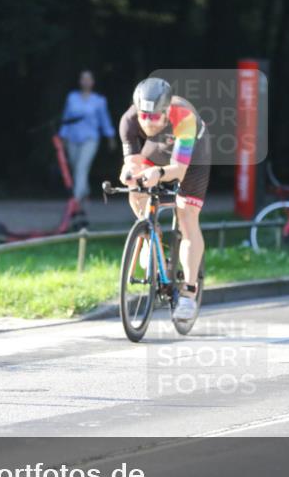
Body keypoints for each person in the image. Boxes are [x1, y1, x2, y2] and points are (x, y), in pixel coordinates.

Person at [119, 77, 210, 322]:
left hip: (193, 156)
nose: (147, 122)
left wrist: (158, 173)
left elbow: (179, 170)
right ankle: (150, 236)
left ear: (166, 110)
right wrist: (130, 174)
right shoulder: (128, 121)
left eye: (154, 117)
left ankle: (189, 293)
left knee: (186, 213)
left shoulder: (184, 117)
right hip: (158, 148)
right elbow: (133, 163)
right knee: (136, 187)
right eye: (143, 116)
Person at [59, 70, 116, 202]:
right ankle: (85, 191)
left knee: (81, 167)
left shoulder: (99, 101)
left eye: (88, 79)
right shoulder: (72, 98)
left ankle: (76, 199)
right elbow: (66, 118)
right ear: (80, 81)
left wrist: (110, 137)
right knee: (75, 167)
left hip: (90, 139)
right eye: (83, 79)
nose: (85, 81)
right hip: (72, 138)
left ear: (92, 82)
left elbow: (104, 120)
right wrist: (62, 136)